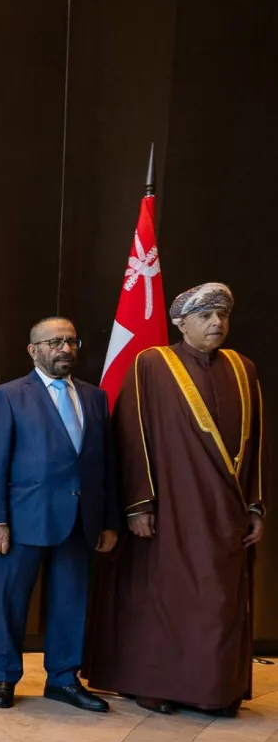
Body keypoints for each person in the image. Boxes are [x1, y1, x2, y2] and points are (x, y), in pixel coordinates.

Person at [85, 283, 266, 716]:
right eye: (205, 316)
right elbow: (130, 437)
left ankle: (215, 690)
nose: (216, 324)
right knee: (163, 599)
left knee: (219, 603)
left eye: (222, 316)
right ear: (181, 323)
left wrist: (256, 506)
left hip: (227, 517)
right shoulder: (152, 364)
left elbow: (258, 443)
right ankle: (153, 685)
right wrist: (138, 504)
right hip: (170, 511)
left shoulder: (243, 369)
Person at [0, 317, 118, 712]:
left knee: (71, 602)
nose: (64, 349)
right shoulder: (8, 396)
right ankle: (4, 678)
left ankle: (62, 679)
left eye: (71, 341)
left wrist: (108, 520)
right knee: (10, 601)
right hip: (22, 521)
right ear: (33, 349)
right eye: (54, 342)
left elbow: (104, 463)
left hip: (80, 519)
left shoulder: (94, 397)